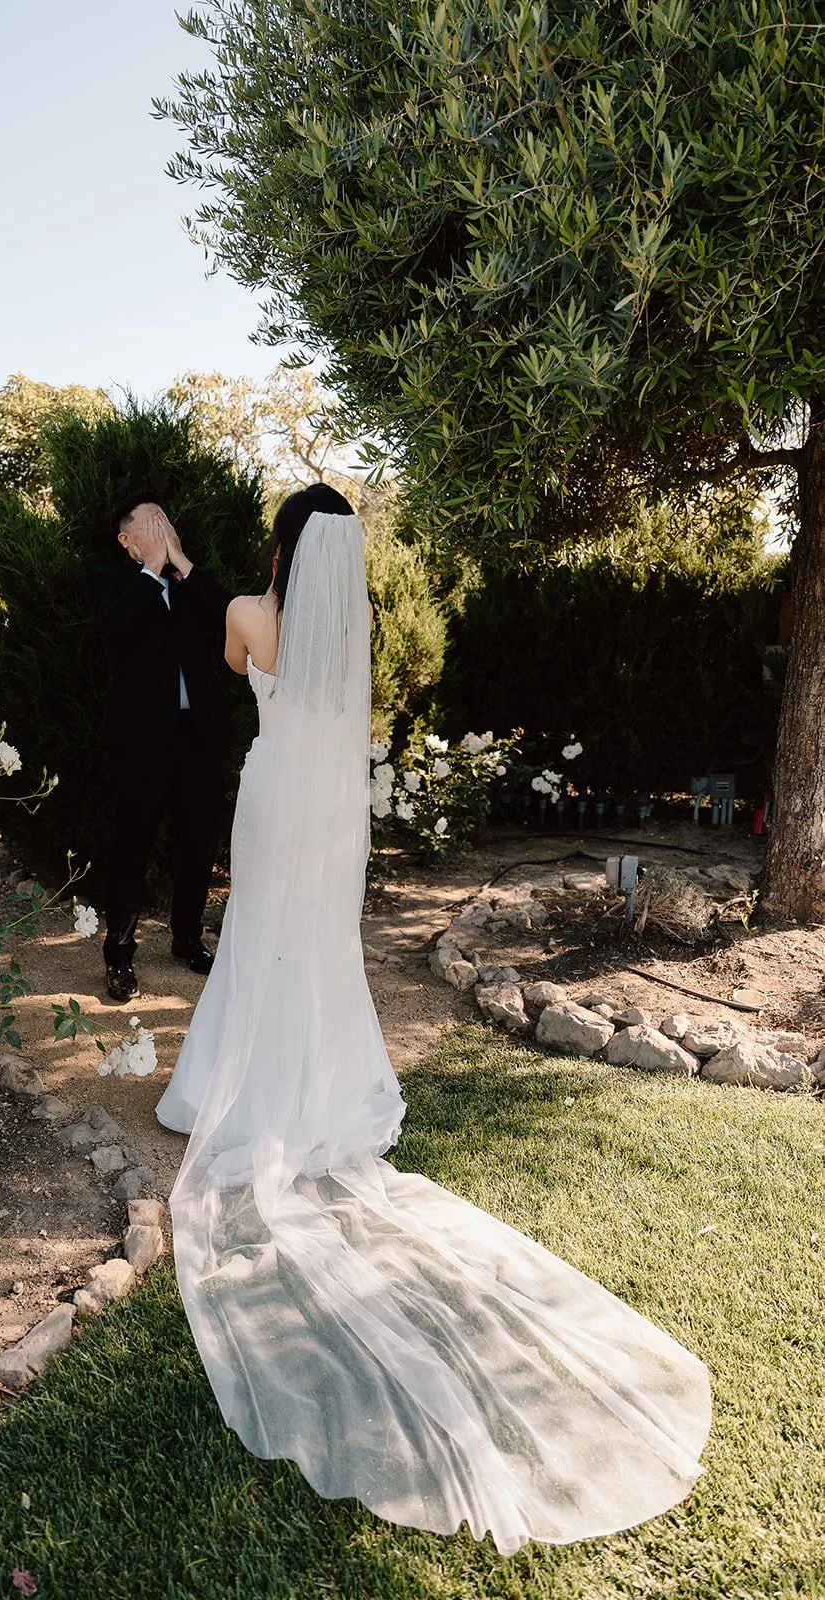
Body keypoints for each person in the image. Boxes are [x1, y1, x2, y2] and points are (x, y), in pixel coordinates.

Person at [156, 482, 711, 1551]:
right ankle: (313, 1090)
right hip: (323, 813)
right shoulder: (346, 632)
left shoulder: (243, 615)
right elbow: (343, 714)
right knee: (313, 942)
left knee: (261, 936)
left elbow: (235, 672)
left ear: (278, 546)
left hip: (270, 797)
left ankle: (234, 1087)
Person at [92, 494, 231, 1003]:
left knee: (199, 840)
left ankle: (187, 938)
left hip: (198, 735)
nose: (161, 527)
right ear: (126, 539)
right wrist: (151, 570)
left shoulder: (191, 581)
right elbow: (117, 625)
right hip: (140, 740)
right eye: (149, 523)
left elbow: (227, 615)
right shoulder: (113, 581)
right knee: (132, 844)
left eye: (164, 519)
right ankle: (120, 954)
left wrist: (180, 563)